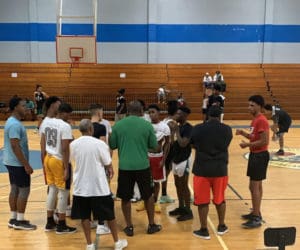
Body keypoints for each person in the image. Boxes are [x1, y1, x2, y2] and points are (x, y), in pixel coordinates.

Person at [70, 119, 128, 250]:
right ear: (91, 129)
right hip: (99, 186)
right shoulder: (100, 144)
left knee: (84, 216)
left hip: (80, 187)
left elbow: (72, 159)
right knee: (109, 215)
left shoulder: (73, 144)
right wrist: (110, 168)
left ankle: (89, 244)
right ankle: (117, 242)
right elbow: (107, 163)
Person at [109, 100, 162, 236]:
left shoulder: (118, 125)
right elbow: (154, 146)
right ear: (141, 112)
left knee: (125, 197)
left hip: (125, 166)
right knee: (148, 195)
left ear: (127, 111)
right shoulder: (147, 125)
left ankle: (129, 227)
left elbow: (113, 145)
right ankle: (151, 224)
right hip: (143, 166)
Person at [191, 106, 232, 239]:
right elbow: (225, 144)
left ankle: (204, 230)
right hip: (220, 169)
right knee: (220, 199)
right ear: (220, 116)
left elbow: (192, 144)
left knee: (202, 202)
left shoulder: (198, 128)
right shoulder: (227, 129)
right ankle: (221, 226)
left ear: (207, 115)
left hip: (202, 169)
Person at [40, 102, 77, 234]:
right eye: (68, 114)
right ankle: (61, 224)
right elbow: (65, 148)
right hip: (59, 160)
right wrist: (66, 167)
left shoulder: (47, 122)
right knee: (63, 191)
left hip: (48, 158)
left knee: (52, 190)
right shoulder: (65, 126)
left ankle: (49, 221)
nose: (69, 117)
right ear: (61, 113)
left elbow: (43, 141)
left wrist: (43, 158)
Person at [236, 95, 269, 229]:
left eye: (252, 105)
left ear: (260, 106)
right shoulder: (254, 120)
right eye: (249, 105)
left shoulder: (261, 120)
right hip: (256, 155)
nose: (249, 107)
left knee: (255, 187)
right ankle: (256, 212)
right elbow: (254, 136)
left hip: (260, 156)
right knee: (254, 186)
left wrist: (247, 146)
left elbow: (264, 141)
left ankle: (256, 217)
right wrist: (243, 134)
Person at [3, 96, 37, 230]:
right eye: (23, 105)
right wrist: (26, 164)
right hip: (17, 163)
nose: (26, 108)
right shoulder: (15, 125)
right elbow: (15, 146)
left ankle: (13, 218)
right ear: (16, 107)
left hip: (11, 162)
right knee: (24, 190)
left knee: (15, 189)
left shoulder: (11, 121)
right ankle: (20, 221)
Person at [168, 106, 193, 221]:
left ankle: (188, 210)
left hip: (185, 158)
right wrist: (172, 132)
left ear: (185, 116)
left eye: (179, 114)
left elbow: (183, 143)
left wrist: (176, 131)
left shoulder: (188, 128)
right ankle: (181, 207)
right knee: (177, 184)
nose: (177, 116)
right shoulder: (177, 127)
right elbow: (173, 143)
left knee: (184, 185)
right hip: (176, 158)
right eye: (176, 113)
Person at [144, 104, 170, 213]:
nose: (151, 114)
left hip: (158, 157)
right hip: (146, 157)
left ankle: (155, 202)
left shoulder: (164, 127)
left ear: (158, 113)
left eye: (153, 112)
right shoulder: (145, 126)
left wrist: (164, 159)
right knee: (145, 181)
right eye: (149, 112)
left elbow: (167, 143)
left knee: (156, 182)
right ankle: (144, 201)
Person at [160, 100, 179, 204]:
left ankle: (163, 194)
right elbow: (171, 141)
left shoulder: (166, 120)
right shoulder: (172, 123)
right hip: (169, 149)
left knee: (166, 172)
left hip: (165, 148)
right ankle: (163, 195)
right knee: (167, 172)